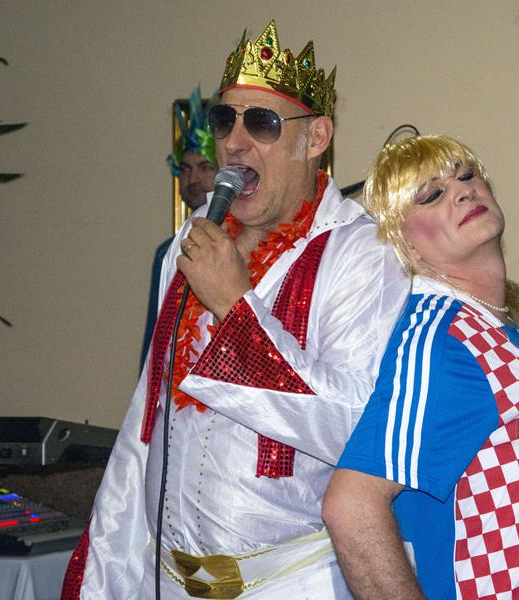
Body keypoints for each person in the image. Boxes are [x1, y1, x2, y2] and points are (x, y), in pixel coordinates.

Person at [62, 20, 408, 599]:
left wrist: (233, 306)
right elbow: (149, 415)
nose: (235, 143)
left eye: (262, 123)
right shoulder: (194, 239)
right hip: (164, 580)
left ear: (316, 137)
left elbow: (355, 427)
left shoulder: (363, 252)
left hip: (288, 585)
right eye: (224, 121)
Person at [323, 135, 519, 599]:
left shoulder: (488, 331)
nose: (463, 190)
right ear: (405, 242)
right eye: (432, 194)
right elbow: (350, 507)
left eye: (466, 175)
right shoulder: (445, 339)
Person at [141, 86, 219, 368]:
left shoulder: (243, 243)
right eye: (185, 169)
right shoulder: (167, 251)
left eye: (205, 167)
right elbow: (155, 343)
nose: (193, 179)